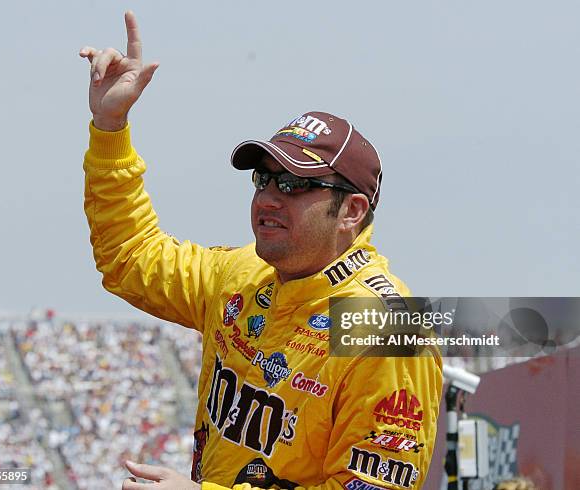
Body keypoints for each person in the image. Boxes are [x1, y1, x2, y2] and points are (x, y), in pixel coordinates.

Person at [80, 11, 442, 490]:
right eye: (264, 178)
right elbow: (129, 257)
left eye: (294, 183)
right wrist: (110, 127)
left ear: (351, 211)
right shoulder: (241, 273)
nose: (269, 196)